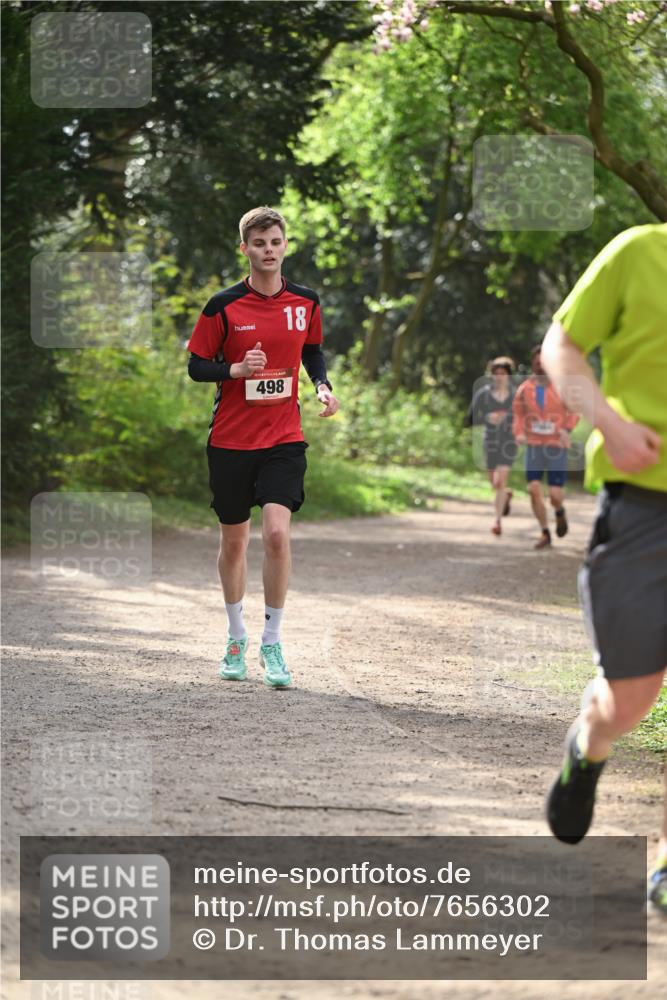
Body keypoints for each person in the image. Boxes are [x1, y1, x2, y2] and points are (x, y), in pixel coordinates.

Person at [540, 222, 666, 914]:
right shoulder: (639, 252)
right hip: (644, 503)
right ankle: (588, 746)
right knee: (629, 699)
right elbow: (562, 345)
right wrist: (610, 425)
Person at [187, 206, 339, 688]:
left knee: (276, 534)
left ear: (285, 246)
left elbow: (311, 350)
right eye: (259, 243)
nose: (268, 250)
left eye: (275, 242)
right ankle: (237, 637)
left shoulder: (306, 301)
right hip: (231, 440)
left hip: (283, 437)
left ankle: (272, 643)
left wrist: (322, 386)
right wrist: (234, 370)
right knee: (234, 542)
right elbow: (196, 365)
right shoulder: (222, 306)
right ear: (245, 249)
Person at [512, 345, 579, 549]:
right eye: (536, 363)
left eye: (543, 362)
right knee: (533, 488)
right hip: (534, 445)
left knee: (555, 495)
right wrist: (519, 432)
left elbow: (574, 410)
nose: (540, 366)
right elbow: (518, 414)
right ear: (533, 364)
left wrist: (566, 429)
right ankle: (545, 532)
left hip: (556, 445)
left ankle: (559, 511)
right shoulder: (525, 389)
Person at [466, 357, 517, 536]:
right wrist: (487, 418)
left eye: (502, 373)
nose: (499, 377)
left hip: (509, 442)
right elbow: (470, 418)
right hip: (490, 442)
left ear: (508, 375)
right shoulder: (484, 394)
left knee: (500, 481)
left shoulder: (516, 395)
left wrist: (509, 421)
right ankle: (506, 495)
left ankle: (497, 521)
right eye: (496, 373)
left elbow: (525, 417)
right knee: (494, 483)